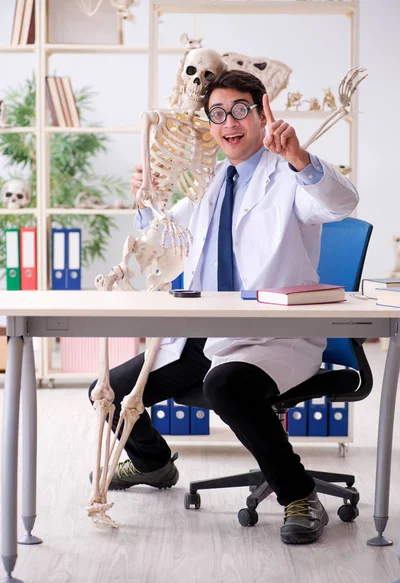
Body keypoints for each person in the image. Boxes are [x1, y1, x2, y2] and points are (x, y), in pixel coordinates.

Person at [89, 69, 358, 545]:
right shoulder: (214, 182)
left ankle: (298, 495)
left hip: (268, 337)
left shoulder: (288, 178)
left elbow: (341, 203)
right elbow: (165, 236)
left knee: (227, 385)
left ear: (260, 114)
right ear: (209, 124)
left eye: (240, 110)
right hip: (201, 334)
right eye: (217, 113)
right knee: (106, 391)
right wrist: (145, 201)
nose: (228, 122)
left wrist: (298, 157)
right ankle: (154, 464)